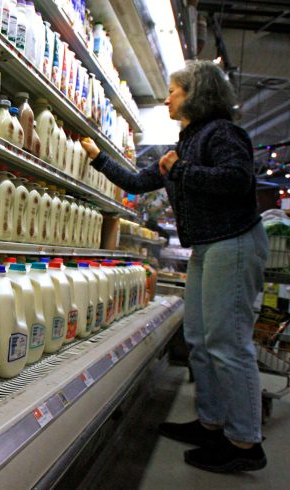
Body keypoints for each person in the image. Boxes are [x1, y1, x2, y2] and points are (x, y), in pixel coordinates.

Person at [81, 60, 268, 473]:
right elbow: (135, 182)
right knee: (201, 339)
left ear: (196, 94)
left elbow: (238, 179)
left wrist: (179, 170)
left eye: (174, 91)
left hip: (233, 243)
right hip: (209, 247)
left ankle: (244, 441)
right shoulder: (186, 142)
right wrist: (96, 156)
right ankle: (212, 423)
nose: (166, 98)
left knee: (227, 342)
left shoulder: (223, 134)